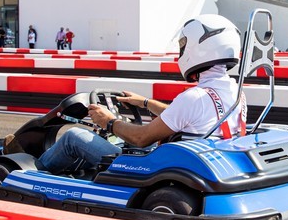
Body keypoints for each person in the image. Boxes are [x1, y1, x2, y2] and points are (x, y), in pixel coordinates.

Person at [34, 14, 247, 176]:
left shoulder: (194, 97)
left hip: (153, 169)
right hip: (201, 164)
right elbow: (190, 118)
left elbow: (141, 138)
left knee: (74, 137)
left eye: (184, 46)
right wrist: (145, 102)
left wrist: (109, 121)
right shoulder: (234, 93)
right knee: (120, 141)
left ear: (199, 48)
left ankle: (32, 175)